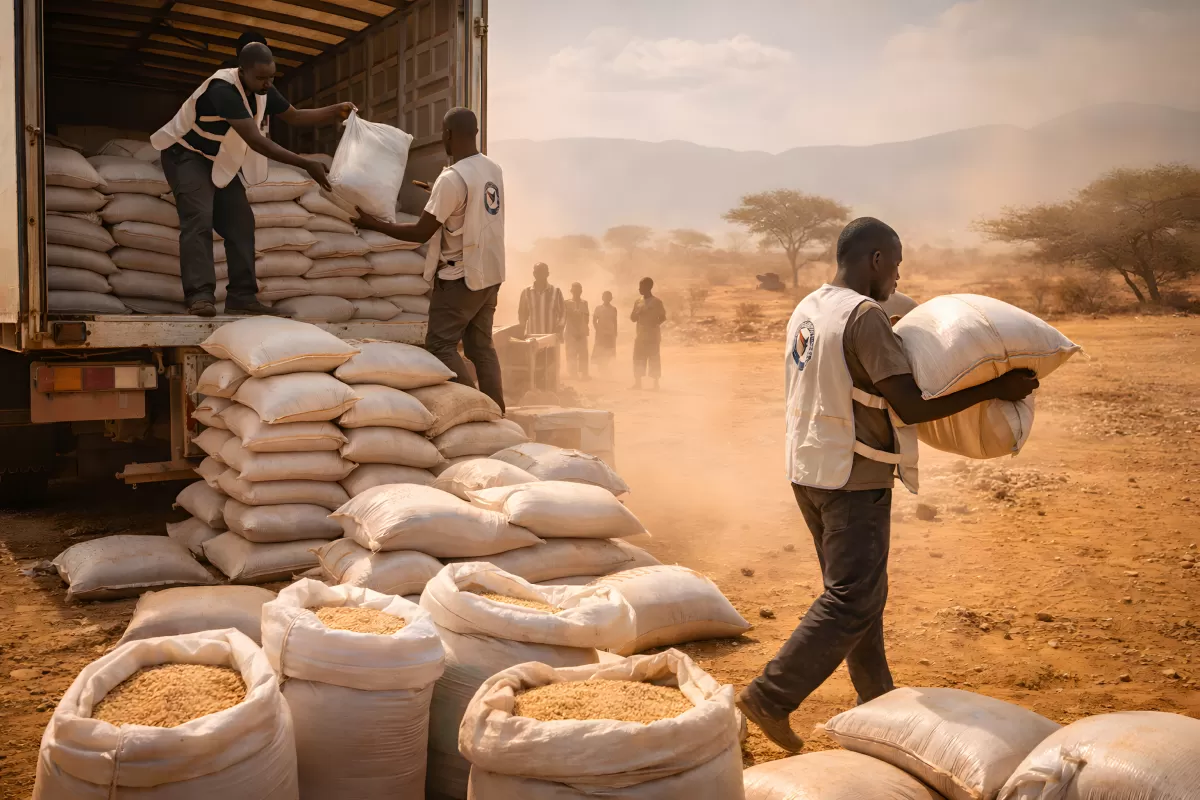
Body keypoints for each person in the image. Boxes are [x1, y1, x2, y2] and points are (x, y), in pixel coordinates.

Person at [735, 217, 1040, 753]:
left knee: (860, 595)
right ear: (875, 259)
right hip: (855, 476)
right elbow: (911, 405)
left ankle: (876, 697)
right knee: (852, 598)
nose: (898, 276)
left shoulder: (810, 307)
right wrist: (999, 386)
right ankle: (769, 696)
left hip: (808, 468)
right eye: (895, 265)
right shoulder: (865, 317)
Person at [152, 42, 353, 317]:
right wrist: (306, 164)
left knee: (241, 222)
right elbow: (258, 142)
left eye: (271, 76)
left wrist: (335, 110)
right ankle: (200, 296)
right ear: (242, 70)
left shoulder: (262, 88)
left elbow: (293, 116)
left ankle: (242, 296)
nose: (268, 83)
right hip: (185, 156)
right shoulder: (222, 89)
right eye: (261, 77)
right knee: (199, 218)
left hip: (218, 159)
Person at [353, 107, 507, 412]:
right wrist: (435, 193)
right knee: (481, 347)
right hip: (490, 274)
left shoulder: (451, 179)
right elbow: (471, 207)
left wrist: (373, 224)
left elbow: (421, 232)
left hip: (460, 279)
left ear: (447, 134)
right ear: (474, 133)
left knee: (440, 345)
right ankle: (499, 411)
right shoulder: (492, 169)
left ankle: (478, 410)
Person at [630, 277, 666, 390]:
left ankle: (655, 384)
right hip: (640, 335)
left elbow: (663, 317)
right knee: (638, 358)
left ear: (649, 287)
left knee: (654, 358)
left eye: (641, 286)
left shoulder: (657, 302)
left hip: (653, 336)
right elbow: (632, 318)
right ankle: (638, 383)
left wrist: (654, 324)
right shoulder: (638, 302)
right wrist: (637, 313)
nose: (639, 289)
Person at [518, 262, 565, 336]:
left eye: (542, 272)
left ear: (547, 274)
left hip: (551, 337)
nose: (539, 274)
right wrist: (521, 332)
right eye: (537, 272)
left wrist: (560, 326)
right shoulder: (526, 292)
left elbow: (563, 313)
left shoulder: (556, 291)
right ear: (534, 273)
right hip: (532, 338)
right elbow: (522, 314)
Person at [563, 282, 590, 379]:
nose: (577, 292)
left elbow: (587, 317)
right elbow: (564, 317)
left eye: (579, 290)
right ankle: (573, 374)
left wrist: (584, 329)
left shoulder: (584, 303)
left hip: (582, 332)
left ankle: (584, 373)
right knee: (571, 353)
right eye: (575, 290)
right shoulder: (566, 303)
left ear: (581, 291)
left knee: (583, 353)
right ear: (571, 291)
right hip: (570, 332)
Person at [592, 290, 618, 370]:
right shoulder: (598, 308)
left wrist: (615, 332)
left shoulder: (613, 309)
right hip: (600, 333)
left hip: (610, 333)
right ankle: (600, 366)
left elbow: (615, 321)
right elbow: (594, 320)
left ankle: (605, 366)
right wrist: (598, 330)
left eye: (608, 296)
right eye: (605, 296)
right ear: (602, 298)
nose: (607, 298)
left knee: (608, 350)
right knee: (600, 349)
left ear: (611, 298)